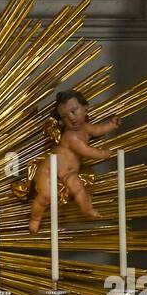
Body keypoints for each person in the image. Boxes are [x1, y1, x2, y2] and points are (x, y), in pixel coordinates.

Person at [28, 90, 121, 231]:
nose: (71, 117)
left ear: (85, 108)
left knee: (78, 188)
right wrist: (106, 154)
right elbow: (88, 151)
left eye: (74, 111)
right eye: (65, 116)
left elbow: (97, 130)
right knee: (45, 196)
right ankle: (35, 219)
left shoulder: (85, 127)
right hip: (48, 170)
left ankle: (87, 210)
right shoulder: (71, 136)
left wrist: (111, 125)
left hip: (68, 172)